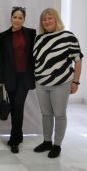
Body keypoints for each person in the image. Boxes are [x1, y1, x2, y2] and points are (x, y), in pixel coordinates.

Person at [33, 8, 83, 158]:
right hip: (41, 83)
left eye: (50, 18)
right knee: (46, 114)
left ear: (56, 20)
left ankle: (57, 145)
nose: (47, 21)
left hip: (61, 83)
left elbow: (78, 60)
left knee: (59, 114)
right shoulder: (39, 38)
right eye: (44, 19)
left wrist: (76, 81)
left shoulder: (68, 36)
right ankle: (47, 141)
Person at [0, 7, 36, 153]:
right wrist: (0, 80)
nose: (17, 20)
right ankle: (18, 136)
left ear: (24, 19)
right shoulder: (3, 36)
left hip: (25, 78)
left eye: (20, 17)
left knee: (18, 106)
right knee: (14, 107)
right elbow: (1, 59)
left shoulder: (31, 33)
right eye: (15, 17)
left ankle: (14, 140)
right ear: (11, 18)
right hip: (10, 78)